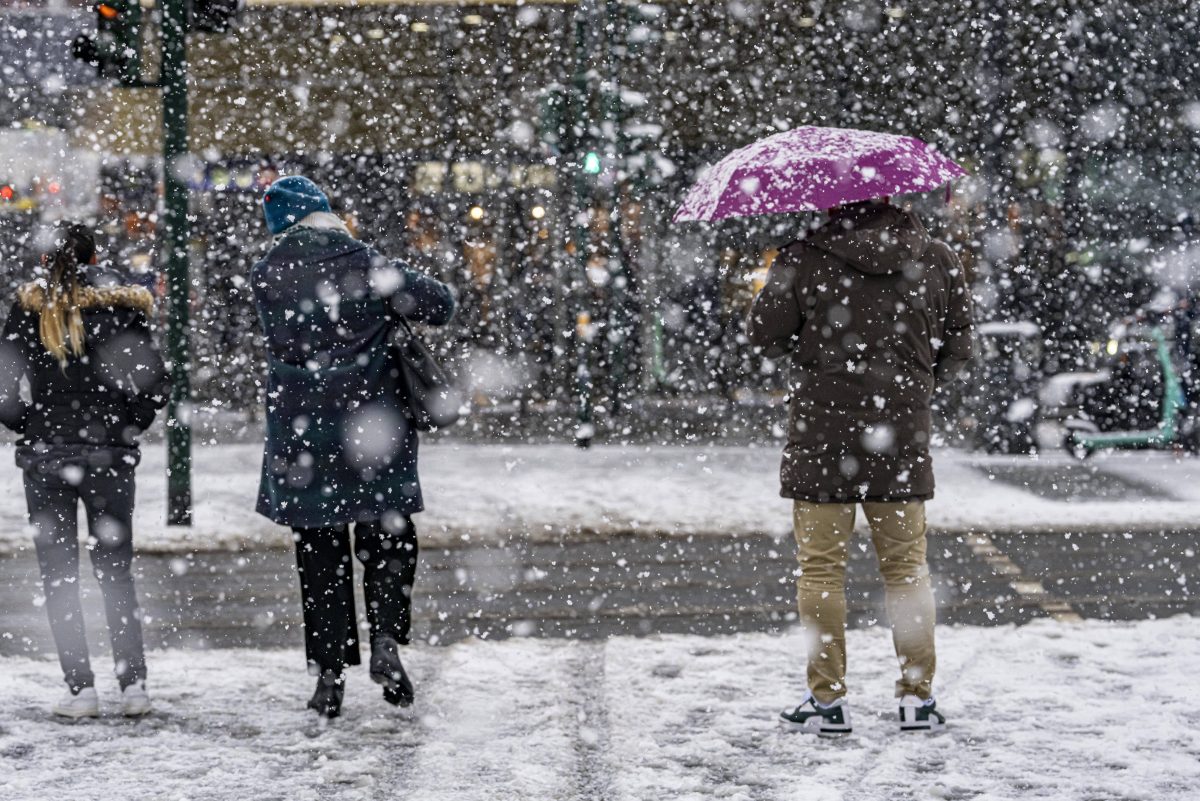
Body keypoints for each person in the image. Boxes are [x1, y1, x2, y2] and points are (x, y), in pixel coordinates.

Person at [747, 198, 973, 736]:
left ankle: (828, 702)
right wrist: (911, 386)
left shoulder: (801, 258)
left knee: (822, 571)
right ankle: (917, 697)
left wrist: (811, 355)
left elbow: (764, 334)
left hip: (821, 440)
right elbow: (959, 346)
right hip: (900, 439)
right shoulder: (936, 257)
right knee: (907, 571)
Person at [252, 176, 455, 720]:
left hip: (303, 436)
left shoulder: (267, 274)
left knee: (319, 554)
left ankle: (329, 674)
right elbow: (441, 305)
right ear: (324, 212)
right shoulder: (368, 264)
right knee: (388, 537)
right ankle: (386, 641)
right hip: (372, 430)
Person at [0, 222, 167, 718]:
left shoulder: (26, 312)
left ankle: (80, 690)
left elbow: (2, 389)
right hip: (108, 459)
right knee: (116, 573)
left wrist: (33, 424)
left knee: (58, 577)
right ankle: (133, 686)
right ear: (96, 260)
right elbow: (155, 384)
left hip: (47, 458)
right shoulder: (122, 311)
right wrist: (124, 426)